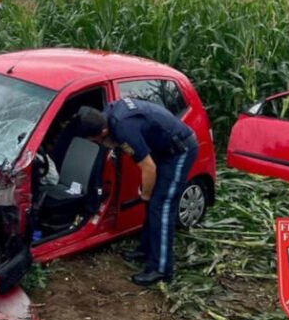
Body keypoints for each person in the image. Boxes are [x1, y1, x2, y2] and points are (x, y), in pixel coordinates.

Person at [77, 99, 198, 286]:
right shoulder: (106, 116)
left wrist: (146, 194)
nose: (99, 144)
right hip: (162, 148)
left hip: (179, 151)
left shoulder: (123, 129)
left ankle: (161, 269)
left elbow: (148, 167)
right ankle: (146, 249)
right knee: (154, 205)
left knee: (162, 206)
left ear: (103, 132)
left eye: (96, 140)